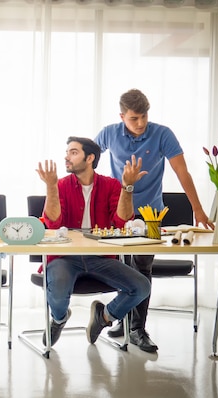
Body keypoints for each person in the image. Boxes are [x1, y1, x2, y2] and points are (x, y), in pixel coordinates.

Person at [94, 88, 213, 353]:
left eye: (144, 116)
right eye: (134, 118)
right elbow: (88, 159)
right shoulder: (109, 133)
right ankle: (121, 319)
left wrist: (199, 210)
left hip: (151, 215)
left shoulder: (162, 134)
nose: (141, 123)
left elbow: (182, 173)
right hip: (118, 213)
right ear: (122, 116)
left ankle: (136, 329)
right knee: (121, 269)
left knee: (142, 268)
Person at [36, 137, 151, 347]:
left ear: (89, 158)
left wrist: (127, 187)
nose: (66, 157)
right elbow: (53, 223)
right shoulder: (61, 185)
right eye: (67, 152)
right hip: (64, 258)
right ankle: (59, 319)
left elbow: (122, 221)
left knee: (141, 287)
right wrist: (51, 187)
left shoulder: (110, 185)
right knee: (59, 290)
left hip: (101, 257)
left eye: (73, 152)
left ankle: (104, 317)